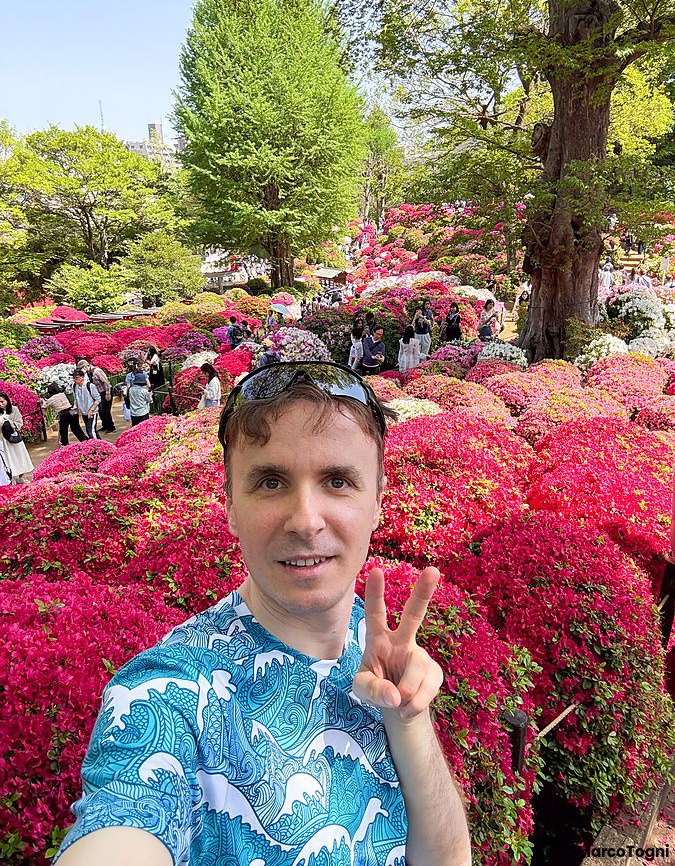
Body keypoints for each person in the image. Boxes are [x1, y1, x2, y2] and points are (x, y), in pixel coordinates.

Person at [53, 361, 472, 866]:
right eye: (271, 482)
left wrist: (409, 718)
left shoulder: (377, 644)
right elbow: (122, 822)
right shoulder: (171, 693)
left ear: (378, 502)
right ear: (230, 505)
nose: (306, 521)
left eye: (338, 480)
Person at [0, 392, 34, 484]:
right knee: (8, 458)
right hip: (3, 439)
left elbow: (19, 423)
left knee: (20, 456)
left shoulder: (14, 410)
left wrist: (8, 422)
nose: (1, 404)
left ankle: (21, 476)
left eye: (2, 401)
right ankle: (11, 477)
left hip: (14, 437)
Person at [42, 381, 87, 446]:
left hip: (63, 414)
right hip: (72, 412)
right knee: (76, 429)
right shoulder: (62, 394)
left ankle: (65, 444)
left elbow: (44, 406)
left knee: (63, 431)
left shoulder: (50, 400)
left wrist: (43, 400)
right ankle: (85, 441)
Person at [77, 359, 115, 433]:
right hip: (99, 393)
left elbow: (106, 382)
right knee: (100, 410)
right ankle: (105, 426)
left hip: (105, 391)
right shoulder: (88, 373)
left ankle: (111, 427)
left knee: (106, 410)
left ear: (85, 366)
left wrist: (108, 393)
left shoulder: (97, 371)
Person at [72, 369, 101, 440]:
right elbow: (76, 398)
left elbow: (98, 399)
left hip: (91, 412)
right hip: (84, 412)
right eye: (74, 378)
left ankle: (96, 447)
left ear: (82, 377)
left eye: (77, 377)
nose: (75, 380)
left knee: (90, 431)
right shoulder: (74, 386)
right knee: (92, 430)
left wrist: (91, 410)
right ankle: (102, 446)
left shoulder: (90, 386)